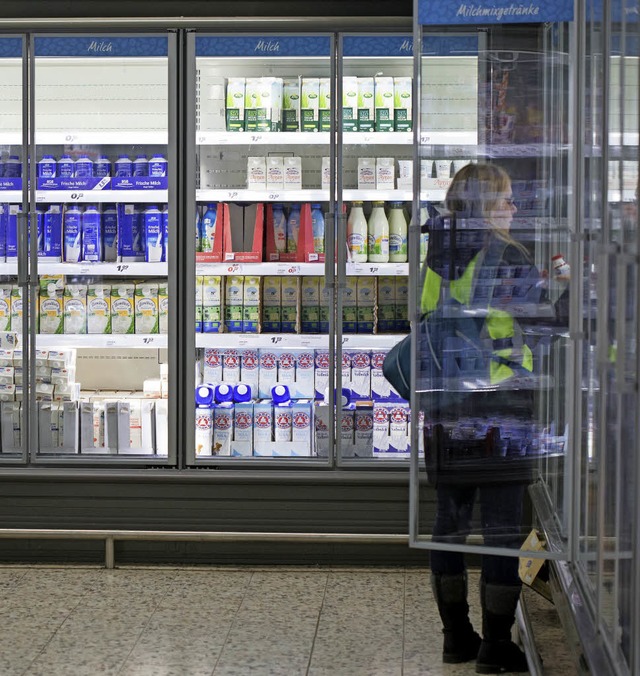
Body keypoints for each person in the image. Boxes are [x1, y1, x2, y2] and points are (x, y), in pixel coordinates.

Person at [421, 163, 568, 674]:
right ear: (484, 204)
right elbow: (542, 322)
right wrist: (565, 287)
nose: (513, 208)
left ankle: (455, 636)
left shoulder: (434, 254)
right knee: (504, 528)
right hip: (501, 408)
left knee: (448, 526)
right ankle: (495, 644)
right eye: (505, 199)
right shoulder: (508, 254)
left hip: (444, 408)